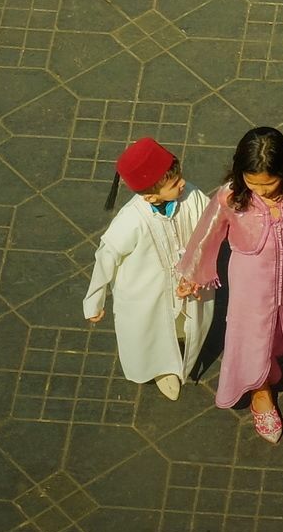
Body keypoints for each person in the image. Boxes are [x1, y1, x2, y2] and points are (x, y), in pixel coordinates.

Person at [176, 126, 283, 442]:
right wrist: (192, 275)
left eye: (269, 183)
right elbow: (207, 236)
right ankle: (260, 391)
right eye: (253, 183)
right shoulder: (231, 197)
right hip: (250, 280)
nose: (262, 190)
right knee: (253, 334)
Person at [82, 137, 211, 401]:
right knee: (152, 332)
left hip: (189, 282)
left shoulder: (191, 195)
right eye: (174, 184)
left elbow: (212, 220)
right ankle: (162, 369)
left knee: (187, 323)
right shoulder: (130, 222)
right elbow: (106, 258)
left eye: (180, 178)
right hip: (147, 294)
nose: (182, 184)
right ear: (151, 195)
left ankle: (183, 351)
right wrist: (93, 302)